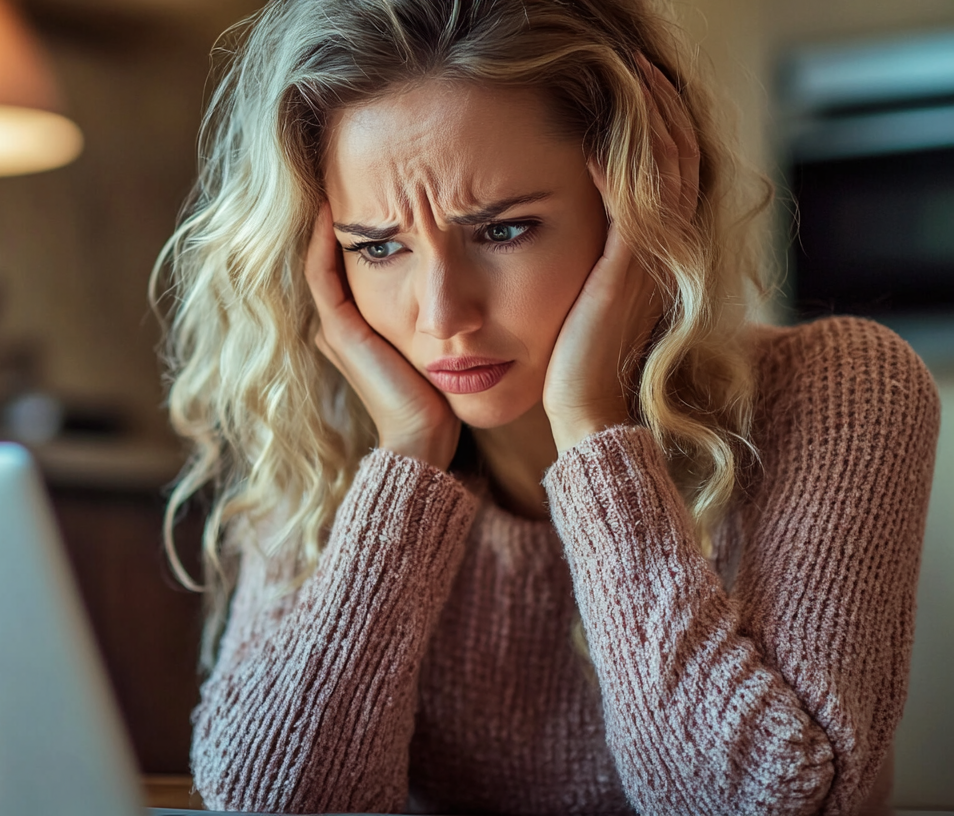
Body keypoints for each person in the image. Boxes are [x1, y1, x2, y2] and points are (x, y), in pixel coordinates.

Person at [150, 0, 941, 813]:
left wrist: (592, 428)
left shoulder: (839, 390)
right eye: (378, 247)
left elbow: (764, 805)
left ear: (639, 202)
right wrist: (407, 461)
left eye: (504, 230)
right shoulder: (321, 440)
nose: (442, 314)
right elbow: (268, 803)